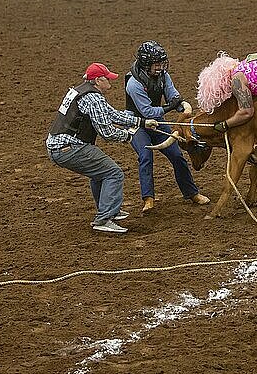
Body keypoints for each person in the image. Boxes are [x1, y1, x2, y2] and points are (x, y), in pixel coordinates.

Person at [46, 62, 158, 233]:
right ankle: (104, 218)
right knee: (113, 173)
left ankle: (108, 209)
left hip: (60, 146)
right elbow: (106, 132)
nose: (110, 82)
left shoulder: (80, 91)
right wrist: (129, 135)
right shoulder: (94, 98)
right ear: (98, 80)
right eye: (107, 78)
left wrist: (142, 122)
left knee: (99, 173)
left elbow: (111, 113)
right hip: (71, 148)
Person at [125, 40, 210, 213]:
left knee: (177, 156)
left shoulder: (163, 76)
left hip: (157, 122)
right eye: (157, 64)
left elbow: (173, 96)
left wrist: (181, 105)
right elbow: (147, 111)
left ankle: (191, 193)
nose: (161, 67)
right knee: (145, 156)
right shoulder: (133, 84)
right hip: (138, 124)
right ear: (146, 64)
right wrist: (172, 106)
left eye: (162, 63)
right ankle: (148, 199)